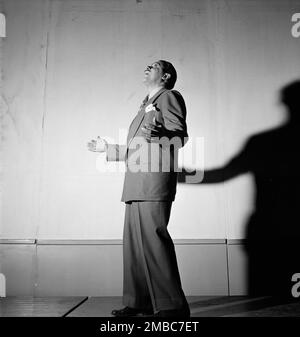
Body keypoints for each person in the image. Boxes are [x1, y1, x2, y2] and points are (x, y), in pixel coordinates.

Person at [87, 60, 189, 317]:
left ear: (165, 76)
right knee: (133, 246)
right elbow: (138, 149)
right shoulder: (144, 106)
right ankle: (138, 302)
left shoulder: (169, 97)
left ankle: (172, 307)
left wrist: (160, 133)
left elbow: (180, 137)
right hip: (135, 183)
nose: (147, 67)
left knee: (154, 242)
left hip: (153, 182)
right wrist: (107, 149)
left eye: (153, 66)